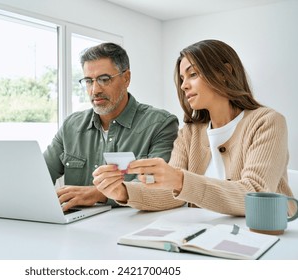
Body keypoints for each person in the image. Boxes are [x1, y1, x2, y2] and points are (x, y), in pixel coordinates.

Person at [93, 39, 295, 216]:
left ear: (225, 72)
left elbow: (256, 194)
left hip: (266, 237)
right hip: (203, 236)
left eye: (193, 74)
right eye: (182, 79)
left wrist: (180, 179)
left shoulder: (267, 122)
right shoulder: (190, 132)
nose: (184, 86)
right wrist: (123, 191)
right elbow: (172, 195)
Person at [43, 42, 179, 212]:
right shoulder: (71, 126)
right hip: (75, 228)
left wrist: (99, 194)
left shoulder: (161, 124)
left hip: (134, 227)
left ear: (126, 78)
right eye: (88, 81)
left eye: (104, 79)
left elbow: (162, 186)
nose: (95, 90)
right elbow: (39, 176)